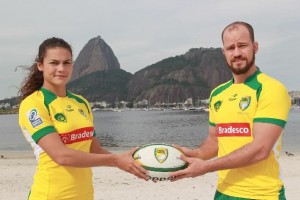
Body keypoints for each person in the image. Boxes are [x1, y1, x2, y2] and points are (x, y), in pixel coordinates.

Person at [170, 21, 291, 200]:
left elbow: (261, 149)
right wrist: (193, 154)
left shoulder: (271, 88)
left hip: (262, 194)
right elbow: (215, 140)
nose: (237, 53)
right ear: (223, 52)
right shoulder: (217, 94)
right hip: (223, 192)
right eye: (230, 48)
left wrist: (206, 167)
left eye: (242, 46)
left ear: (255, 47)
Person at [18, 37, 148, 200]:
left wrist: (127, 162)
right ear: (40, 65)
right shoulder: (33, 104)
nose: (61, 68)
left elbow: (94, 150)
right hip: (49, 195)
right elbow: (61, 156)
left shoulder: (81, 103)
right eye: (54, 63)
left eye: (67, 63)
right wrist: (116, 160)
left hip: (84, 195)